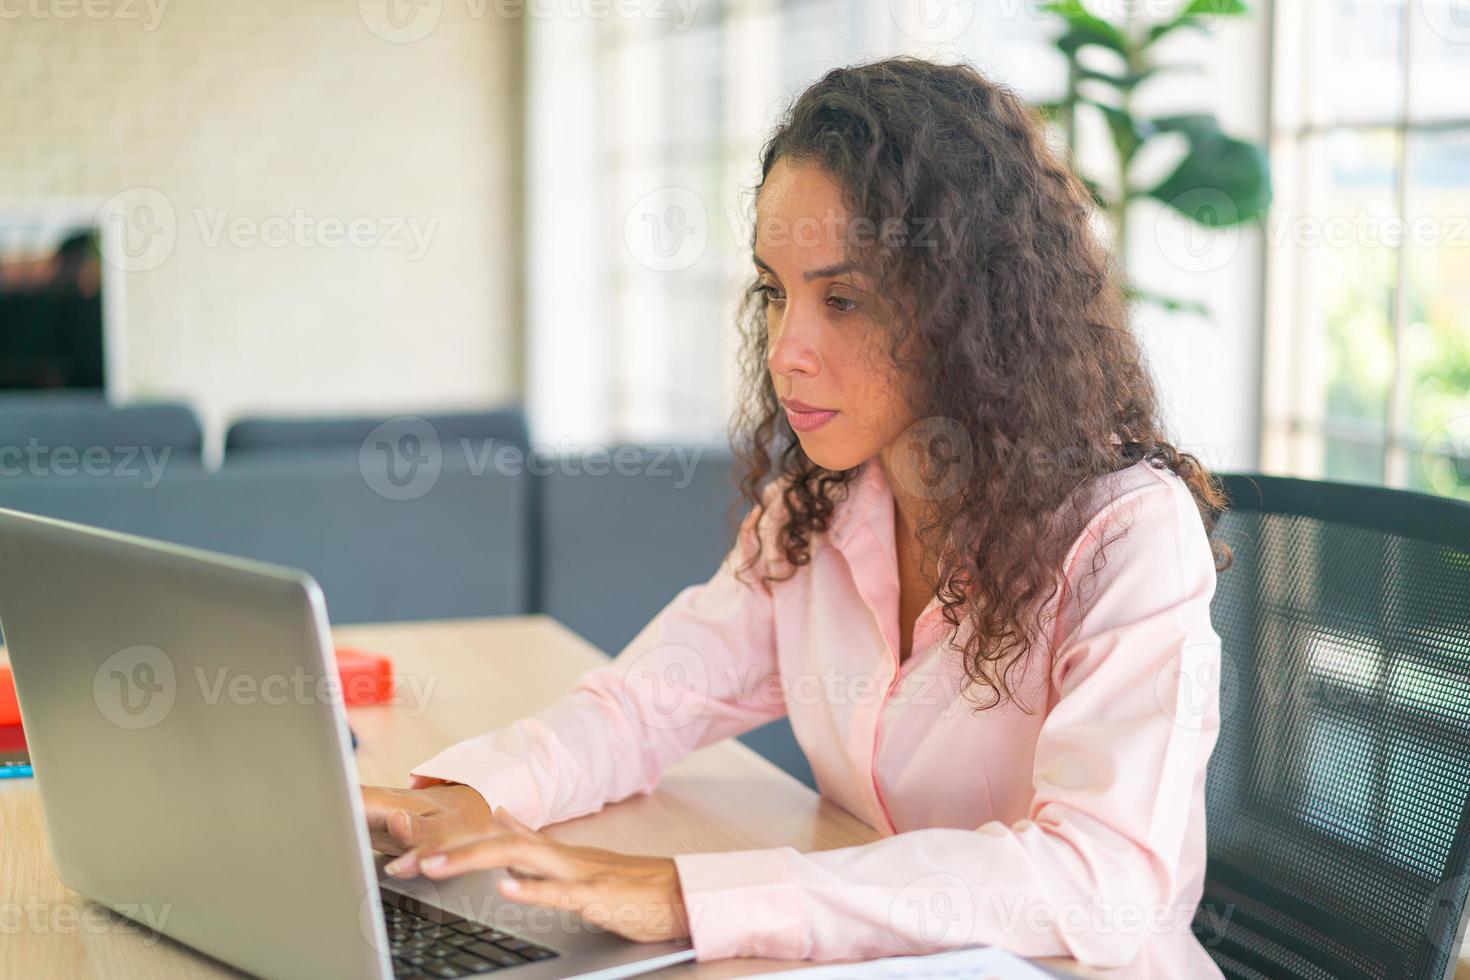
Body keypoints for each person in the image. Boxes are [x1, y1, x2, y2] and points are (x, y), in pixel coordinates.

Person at [361, 56, 1230, 978]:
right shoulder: (819, 519)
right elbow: (642, 708)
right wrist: (470, 793)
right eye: (776, 292)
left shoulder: (1128, 537)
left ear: (969, 312)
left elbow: (1103, 881)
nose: (785, 352)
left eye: (842, 299)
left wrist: (686, 893)